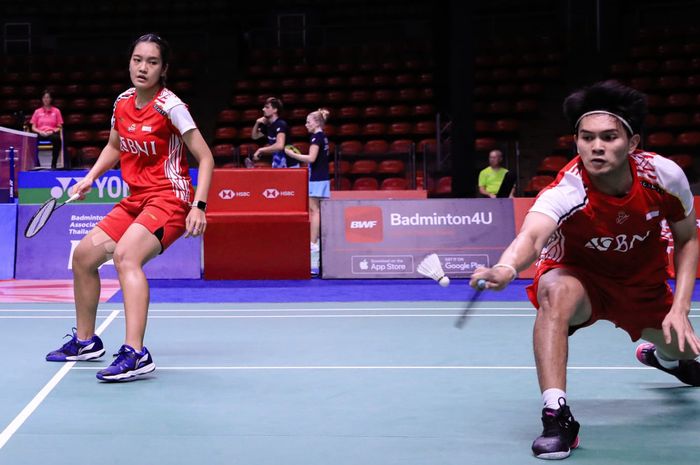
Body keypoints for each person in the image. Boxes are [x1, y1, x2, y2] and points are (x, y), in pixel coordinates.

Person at [470, 81, 700, 460]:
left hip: (641, 285)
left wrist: (681, 308)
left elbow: (688, 238)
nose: (597, 146)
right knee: (554, 293)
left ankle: (665, 358)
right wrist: (507, 268)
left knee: (682, 347)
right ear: (575, 141)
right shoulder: (566, 190)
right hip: (580, 280)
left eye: (609, 137)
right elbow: (532, 236)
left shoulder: (664, 176)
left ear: (633, 142)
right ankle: (556, 415)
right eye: (587, 137)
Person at [45, 33, 214, 382]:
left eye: (152, 62)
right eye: (138, 60)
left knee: (126, 256)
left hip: (170, 198)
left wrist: (199, 205)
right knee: (84, 257)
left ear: (163, 69)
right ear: (129, 62)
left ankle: (136, 352)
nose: (143, 67)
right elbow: (114, 145)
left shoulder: (172, 107)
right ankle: (85, 340)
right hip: (136, 198)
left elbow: (206, 156)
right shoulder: (122, 102)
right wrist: (90, 177)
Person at [284, 108, 331, 272]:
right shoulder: (323, 137)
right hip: (323, 177)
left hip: (317, 179)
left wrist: (291, 154)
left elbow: (311, 158)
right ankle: (317, 243)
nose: (306, 125)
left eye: (308, 122)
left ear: (317, 123)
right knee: (318, 211)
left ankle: (313, 244)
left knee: (314, 211)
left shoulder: (316, 137)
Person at [250, 96, 297, 168]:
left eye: (267, 107)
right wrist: (257, 123)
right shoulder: (268, 125)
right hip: (277, 164)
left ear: (275, 110)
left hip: (289, 165)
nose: (263, 109)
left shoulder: (280, 124)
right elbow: (254, 136)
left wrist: (261, 150)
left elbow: (280, 146)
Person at [30, 90, 64, 169]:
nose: (46, 99)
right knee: (31, 141)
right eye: (44, 97)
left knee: (57, 139)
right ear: (42, 99)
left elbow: (59, 126)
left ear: (51, 99)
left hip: (51, 133)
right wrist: (40, 132)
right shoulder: (37, 112)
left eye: (48, 97)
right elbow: (33, 127)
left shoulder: (56, 111)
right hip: (40, 133)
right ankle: (37, 164)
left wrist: (51, 131)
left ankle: (53, 164)